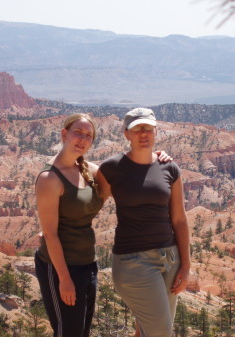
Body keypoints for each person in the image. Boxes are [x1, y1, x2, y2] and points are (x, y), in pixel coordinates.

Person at [35, 113, 172, 337]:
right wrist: (65, 279)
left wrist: (154, 157)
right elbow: (50, 234)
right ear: (64, 134)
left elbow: (127, 172)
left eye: (88, 135)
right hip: (59, 266)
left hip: (87, 263)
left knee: (82, 332)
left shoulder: (89, 170)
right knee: (68, 332)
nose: (82, 139)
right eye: (77, 133)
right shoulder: (50, 178)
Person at [97, 108, 191, 337]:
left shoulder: (169, 168)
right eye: (137, 129)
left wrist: (186, 265)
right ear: (126, 134)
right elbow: (88, 203)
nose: (143, 133)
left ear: (156, 131)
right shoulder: (112, 168)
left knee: (148, 331)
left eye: (148, 128)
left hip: (169, 258)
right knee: (160, 332)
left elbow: (179, 219)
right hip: (133, 261)